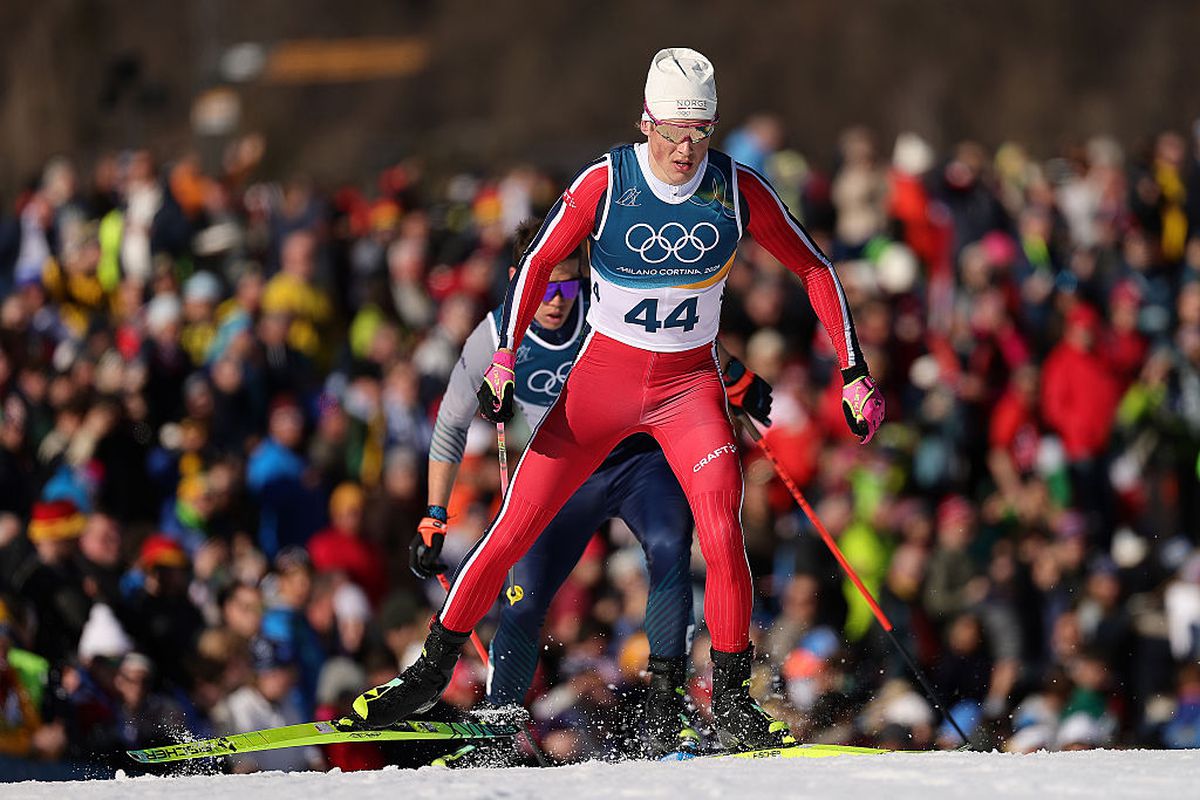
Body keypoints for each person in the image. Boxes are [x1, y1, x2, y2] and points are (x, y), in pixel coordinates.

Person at [351, 47, 883, 753]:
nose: (686, 151)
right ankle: (431, 669)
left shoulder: (735, 187)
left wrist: (853, 369)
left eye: (700, 133)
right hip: (602, 387)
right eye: (673, 134)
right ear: (646, 123)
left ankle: (729, 698)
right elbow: (538, 260)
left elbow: (814, 268)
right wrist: (504, 357)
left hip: (687, 391)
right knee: (512, 528)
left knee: (721, 529)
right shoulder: (606, 180)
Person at [407, 217, 772, 758]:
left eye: (569, 286)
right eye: (545, 287)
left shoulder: (603, 306)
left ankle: (666, 708)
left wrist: (734, 374)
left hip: (638, 467)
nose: (557, 302)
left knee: (671, 546)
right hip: (565, 477)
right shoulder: (495, 336)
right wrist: (435, 513)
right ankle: (498, 726)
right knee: (524, 598)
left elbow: (674, 332)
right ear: (519, 279)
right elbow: (450, 423)